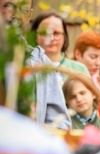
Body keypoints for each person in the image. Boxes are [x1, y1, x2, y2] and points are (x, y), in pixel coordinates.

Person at [0, 0, 71, 129]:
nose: (16, 14)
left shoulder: (41, 62)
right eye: (9, 6)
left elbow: (59, 122)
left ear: (29, 15)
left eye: (24, 9)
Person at [30, 11, 89, 84]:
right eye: (45, 33)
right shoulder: (26, 68)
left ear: (64, 36)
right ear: (35, 36)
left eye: (56, 33)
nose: (51, 38)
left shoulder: (79, 69)